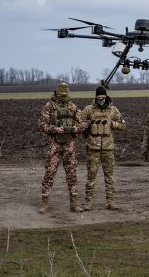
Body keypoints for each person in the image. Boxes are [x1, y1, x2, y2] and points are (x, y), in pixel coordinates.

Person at [37, 82, 85, 213]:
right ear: (56, 93)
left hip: (70, 145)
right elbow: (41, 124)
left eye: (65, 94)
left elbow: (84, 123)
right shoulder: (49, 106)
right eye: (61, 94)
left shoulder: (73, 107)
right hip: (55, 145)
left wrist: (76, 128)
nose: (63, 96)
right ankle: (45, 203)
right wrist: (55, 129)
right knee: (50, 172)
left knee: (72, 174)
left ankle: (73, 204)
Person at [81, 86, 125, 210]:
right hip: (92, 149)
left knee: (109, 176)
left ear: (106, 97)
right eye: (99, 97)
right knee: (91, 176)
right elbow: (79, 124)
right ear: (95, 97)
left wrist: (112, 123)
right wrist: (87, 125)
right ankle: (88, 202)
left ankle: (110, 201)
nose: (101, 99)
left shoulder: (113, 110)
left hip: (108, 148)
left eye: (103, 97)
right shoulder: (88, 109)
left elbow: (123, 125)